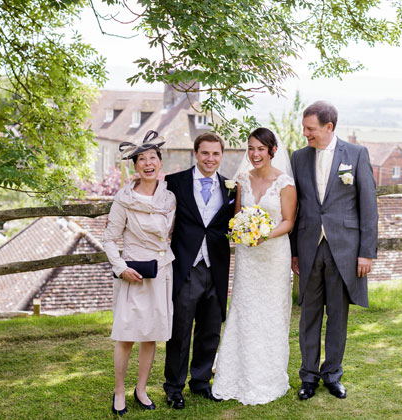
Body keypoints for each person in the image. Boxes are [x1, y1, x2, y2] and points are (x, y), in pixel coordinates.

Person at [290, 101, 378, 401]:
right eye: (304, 128)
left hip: (345, 250)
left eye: (310, 129)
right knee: (309, 316)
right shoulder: (298, 157)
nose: (305, 134)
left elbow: (369, 207)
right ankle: (308, 377)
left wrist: (366, 253)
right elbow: (296, 207)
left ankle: (333, 375)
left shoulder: (356, 154)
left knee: (338, 316)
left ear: (329, 127)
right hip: (309, 247)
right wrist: (294, 252)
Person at [212, 127, 297, 405]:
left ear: (272, 150)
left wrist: (264, 234)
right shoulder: (242, 180)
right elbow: (237, 217)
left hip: (274, 257)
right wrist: (243, 233)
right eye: (251, 148)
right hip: (248, 256)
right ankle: (236, 374)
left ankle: (267, 376)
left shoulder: (285, 183)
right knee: (244, 310)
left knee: (271, 313)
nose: (255, 154)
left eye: (261, 148)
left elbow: (288, 221)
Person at [102, 130, 176, 416]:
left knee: (151, 336)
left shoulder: (169, 199)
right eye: (142, 159)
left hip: (161, 272)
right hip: (133, 272)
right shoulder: (123, 200)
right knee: (126, 336)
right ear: (135, 166)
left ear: (160, 163)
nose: (148, 163)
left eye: (153, 158)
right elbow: (110, 239)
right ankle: (119, 390)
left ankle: (141, 389)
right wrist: (121, 269)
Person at [163, 132, 237, 409]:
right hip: (186, 267)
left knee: (210, 329)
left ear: (221, 156)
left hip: (216, 267)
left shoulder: (230, 187)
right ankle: (173, 387)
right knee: (180, 330)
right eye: (205, 153)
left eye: (216, 154)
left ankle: (201, 382)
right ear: (196, 154)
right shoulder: (175, 183)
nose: (210, 159)